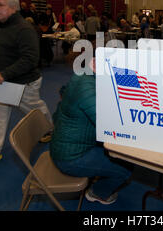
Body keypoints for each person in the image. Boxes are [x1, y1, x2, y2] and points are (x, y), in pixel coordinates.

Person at [0, 0, 52, 171]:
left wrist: (4, 74)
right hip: (1, 83)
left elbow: (30, 59)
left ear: (13, 8)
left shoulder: (24, 29)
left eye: (1, 5)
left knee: (34, 110)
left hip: (23, 83)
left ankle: (48, 128)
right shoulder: (0, 25)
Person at [49, 58, 131, 205]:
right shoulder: (87, 89)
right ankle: (97, 193)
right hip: (71, 158)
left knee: (117, 157)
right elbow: (109, 127)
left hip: (67, 145)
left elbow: (63, 90)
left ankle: (99, 173)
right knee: (125, 170)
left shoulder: (82, 76)